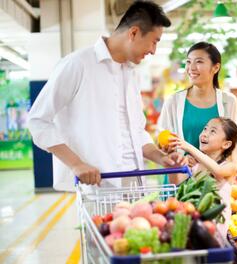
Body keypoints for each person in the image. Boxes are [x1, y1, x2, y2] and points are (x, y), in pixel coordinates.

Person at [27, 1, 186, 192]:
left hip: (136, 181)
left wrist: (161, 157)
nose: (153, 50)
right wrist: (76, 164)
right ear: (133, 33)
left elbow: (136, 131)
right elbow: (38, 121)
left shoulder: (131, 73)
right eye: (154, 41)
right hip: (99, 187)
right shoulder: (78, 65)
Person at [157, 42, 237, 183]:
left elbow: (232, 143)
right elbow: (163, 142)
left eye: (199, 61)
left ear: (216, 67)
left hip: (212, 181)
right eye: (188, 62)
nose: (191, 68)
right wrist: (175, 155)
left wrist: (232, 173)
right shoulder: (173, 102)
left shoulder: (228, 101)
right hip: (179, 178)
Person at [169, 117, 237, 238]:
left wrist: (189, 147)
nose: (205, 134)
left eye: (213, 131)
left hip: (216, 226)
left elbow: (218, 171)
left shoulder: (229, 167)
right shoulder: (196, 165)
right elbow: (175, 181)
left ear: (226, 144)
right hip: (195, 221)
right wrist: (174, 161)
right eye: (205, 129)